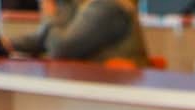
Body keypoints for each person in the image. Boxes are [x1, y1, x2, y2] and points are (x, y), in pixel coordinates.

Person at [10, 0, 148, 64]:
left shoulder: (108, 6)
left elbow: (61, 49)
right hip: (94, 92)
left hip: (118, 97)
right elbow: (50, 37)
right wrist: (8, 44)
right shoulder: (80, 4)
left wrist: (50, 13)